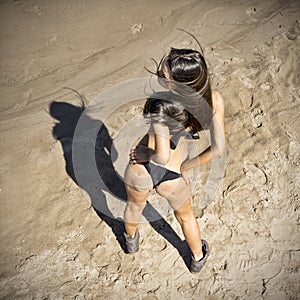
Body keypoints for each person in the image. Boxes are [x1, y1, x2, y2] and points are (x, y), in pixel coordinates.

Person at [123, 47, 225, 273]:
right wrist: (187, 166)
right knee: (186, 217)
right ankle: (197, 259)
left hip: (144, 167)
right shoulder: (214, 100)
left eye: (164, 74)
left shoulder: (161, 105)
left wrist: (146, 155)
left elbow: (161, 155)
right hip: (174, 175)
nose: (159, 73)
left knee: (133, 207)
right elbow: (218, 149)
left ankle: (131, 243)